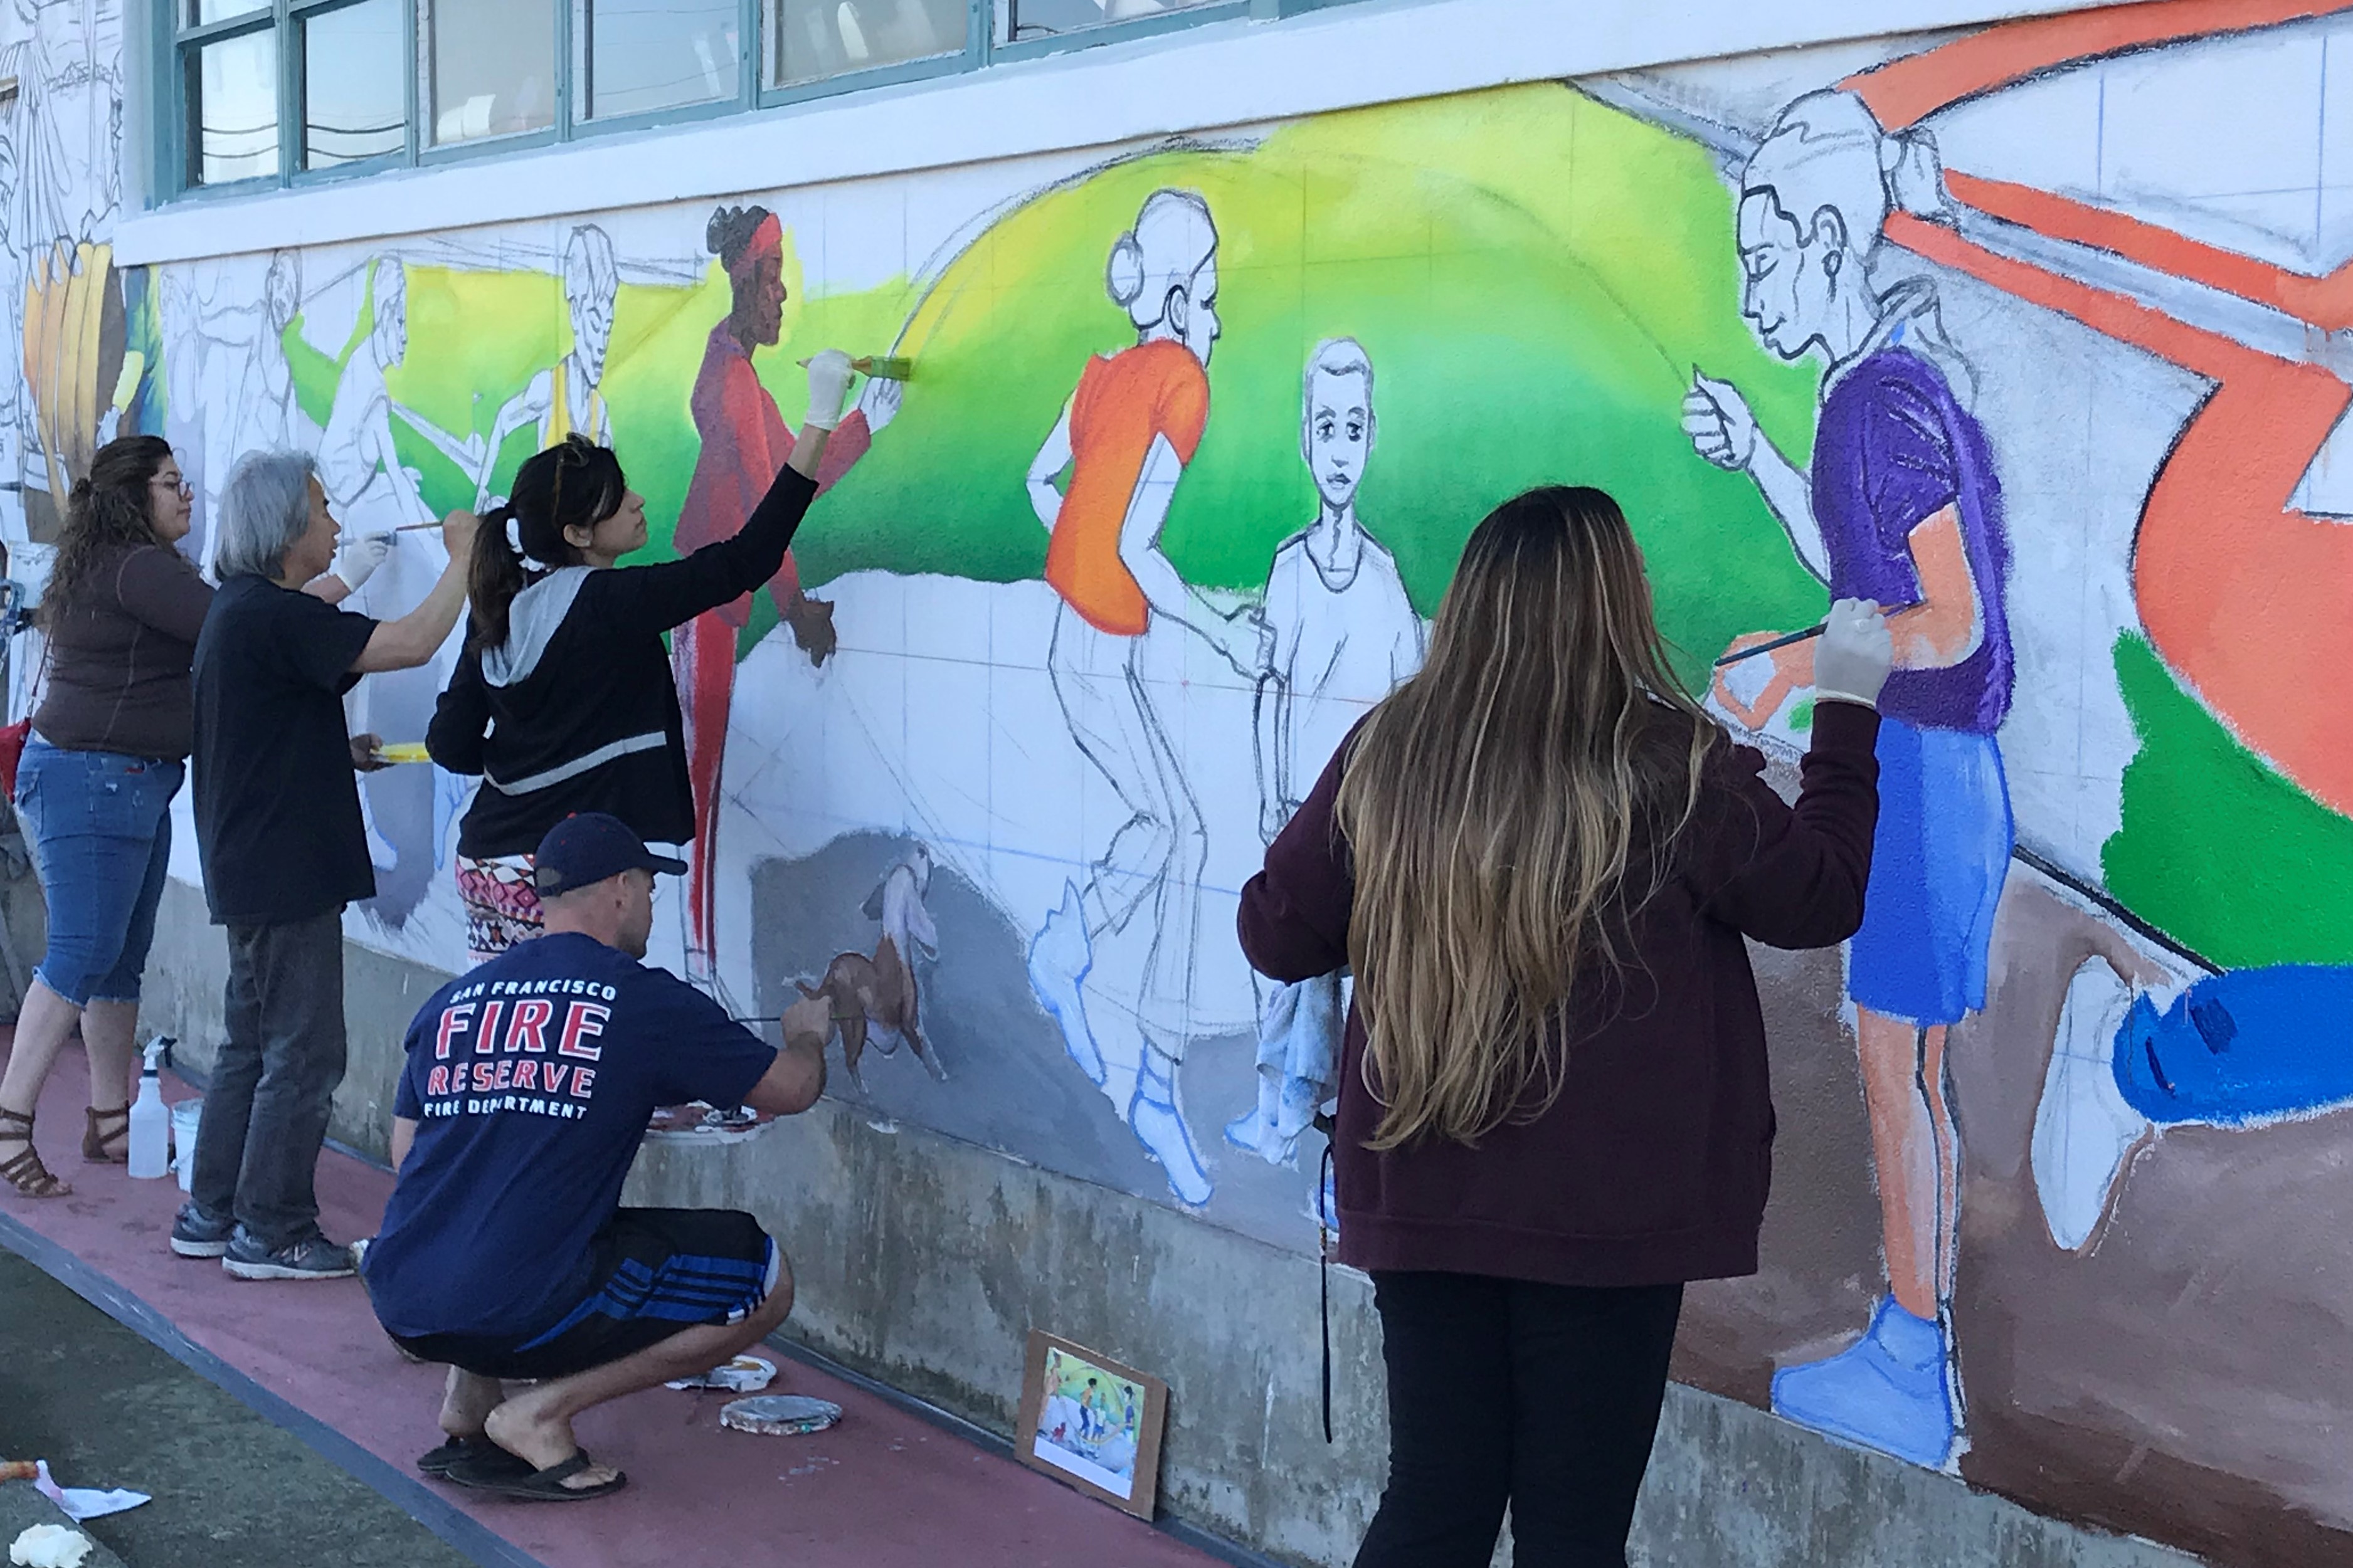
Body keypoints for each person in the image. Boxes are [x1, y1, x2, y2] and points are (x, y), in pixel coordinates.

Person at [1239, 487, 1893, 1567]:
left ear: (1474, 603)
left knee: (1434, 1504)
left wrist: (1382, 861)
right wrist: (1845, 712)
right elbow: (1817, 898)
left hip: (1424, 1192)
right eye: (1633, 573)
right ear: (1611, 605)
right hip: (1605, 1219)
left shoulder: (1389, 753)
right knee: (1571, 1532)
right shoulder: (1670, 766)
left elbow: (1276, 931)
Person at [1681, 90, 2012, 1469]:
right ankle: (1910, 1345)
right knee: (1903, 1072)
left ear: (1824, 238)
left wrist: (1790, 667)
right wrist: (1758, 456)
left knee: (1893, 1077)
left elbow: (1950, 623)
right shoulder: (1865, 392)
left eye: (1764, 258)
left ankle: (1914, 1363)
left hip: (1926, 777)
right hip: (1936, 773)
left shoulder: (1882, 403)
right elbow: (1863, 577)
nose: (1752, 288)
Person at [361, 813, 827, 1502]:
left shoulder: (454, 1000)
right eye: (647, 887)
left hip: (401, 1293)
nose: (649, 904)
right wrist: (806, 1036)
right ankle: (540, 1412)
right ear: (619, 887)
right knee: (764, 1276)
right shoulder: (637, 998)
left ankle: (470, 1393)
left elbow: (410, 1154)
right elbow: (790, 1089)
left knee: (501, 1226)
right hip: (516, 1297)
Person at [0, 437, 383, 1197]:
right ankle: (11, 1121)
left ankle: (109, 1116)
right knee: (82, 949)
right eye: (172, 484)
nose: (189, 496)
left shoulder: (129, 564)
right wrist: (346, 580)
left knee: (118, 957)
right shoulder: (139, 568)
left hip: (129, 782)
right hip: (94, 780)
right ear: (132, 496)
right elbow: (244, 633)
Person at [427, 351, 859, 967]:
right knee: (584, 1042)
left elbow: (450, 743)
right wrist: (820, 416)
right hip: (564, 875)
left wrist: (534, 752)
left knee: (514, 1043)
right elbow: (745, 559)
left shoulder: (503, 604)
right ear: (577, 534)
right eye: (614, 496)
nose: (637, 498)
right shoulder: (607, 602)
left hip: (488, 865)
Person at [171, 450, 476, 1280]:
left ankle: (214, 1211)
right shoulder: (273, 615)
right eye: (322, 508)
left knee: (251, 1045)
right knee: (303, 1054)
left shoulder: (242, 612)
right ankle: (273, 1231)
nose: (336, 523)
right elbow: (413, 644)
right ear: (285, 528)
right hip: (286, 871)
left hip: (252, 865)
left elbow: (256, 727)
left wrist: (331, 750)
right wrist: (465, 561)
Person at [1022, 187, 1267, 1208]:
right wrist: (1218, 632)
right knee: (1181, 835)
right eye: (1208, 277)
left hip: (1079, 642)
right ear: (1182, 287)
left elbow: (1046, 487)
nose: (1216, 298)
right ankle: (1141, 1059)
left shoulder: (1103, 376)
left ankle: (1072, 952)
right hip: (1093, 650)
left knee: (1173, 831)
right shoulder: (1179, 380)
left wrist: (1085, 560)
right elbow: (1132, 542)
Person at [672, 204, 901, 997]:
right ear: (742, 280)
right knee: (698, 792)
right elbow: (774, 506)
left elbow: (787, 482)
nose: (783, 297)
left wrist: (863, 424)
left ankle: (698, 961)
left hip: (714, 605)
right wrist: (798, 604)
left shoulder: (740, 376)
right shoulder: (735, 385)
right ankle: (698, 967)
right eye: (772, 279)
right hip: (704, 610)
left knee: (700, 786)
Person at [1229, 336, 1424, 1174]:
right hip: (1305, 816)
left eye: (1354, 429)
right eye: (1325, 428)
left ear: (1371, 437)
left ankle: (1355, 1150)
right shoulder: (1290, 569)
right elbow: (1272, 690)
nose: (1340, 448)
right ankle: (1283, 1110)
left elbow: (1410, 704)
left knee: (1375, 989)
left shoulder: (1385, 578)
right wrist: (1275, 797)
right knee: (1297, 981)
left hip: (1374, 820)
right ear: (1306, 442)